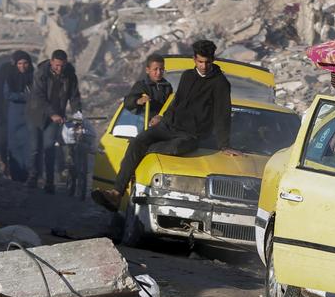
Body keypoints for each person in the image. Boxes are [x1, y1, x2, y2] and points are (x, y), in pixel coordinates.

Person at [93, 39, 237, 209]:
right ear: (194, 59)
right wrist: (162, 117)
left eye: (207, 62)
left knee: (174, 148)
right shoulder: (187, 76)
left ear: (212, 60)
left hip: (190, 135)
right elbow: (176, 101)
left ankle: (141, 155)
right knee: (137, 141)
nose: (203, 66)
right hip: (168, 126)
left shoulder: (220, 84)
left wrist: (224, 145)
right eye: (200, 61)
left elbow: (222, 114)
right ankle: (116, 193)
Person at [28, 49, 82, 193]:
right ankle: (33, 177)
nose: (59, 69)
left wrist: (78, 114)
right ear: (51, 62)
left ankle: (50, 182)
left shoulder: (70, 75)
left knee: (50, 147)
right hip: (36, 114)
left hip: (56, 116)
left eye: (62, 66)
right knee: (35, 148)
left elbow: (74, 97)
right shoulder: (41, 73)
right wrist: (52, 114)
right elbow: (39, 97)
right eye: (57, 65)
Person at [1, 51, 35, 182]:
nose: (22, 66)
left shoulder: (34, 77)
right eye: (19, 63)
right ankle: (16, 175)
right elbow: (8, 94)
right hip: (14, 114)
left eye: (25, 63)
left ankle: (27, 174)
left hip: (29, 114)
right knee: (14, 145)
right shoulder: (10, 77)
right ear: (15, 64)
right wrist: (24, 97)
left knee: (27, 144)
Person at [123, 54, 173, 119]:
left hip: (163, 121)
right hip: (145, 122)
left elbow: (171, 106)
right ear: (147, 70)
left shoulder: (167, 86)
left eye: (161, 69)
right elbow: (127, 102)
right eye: (155, 69)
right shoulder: (141, 85)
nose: (158, 72)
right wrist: (137, 101)